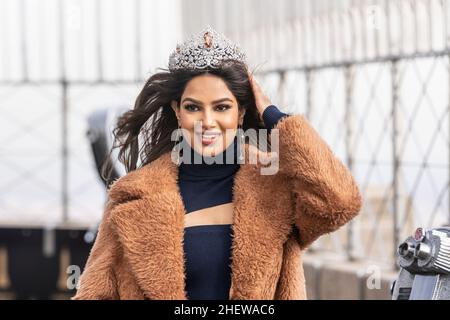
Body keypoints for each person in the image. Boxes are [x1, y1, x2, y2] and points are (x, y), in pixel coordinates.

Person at [73, 26, 362, 300]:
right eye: (193, 107)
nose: (207, 122)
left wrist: (276, 117)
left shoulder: (277, 184)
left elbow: (341, 201)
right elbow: (94, 292)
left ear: (241, 112)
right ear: (177, 111)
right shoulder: (131, 195)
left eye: (222, 107)